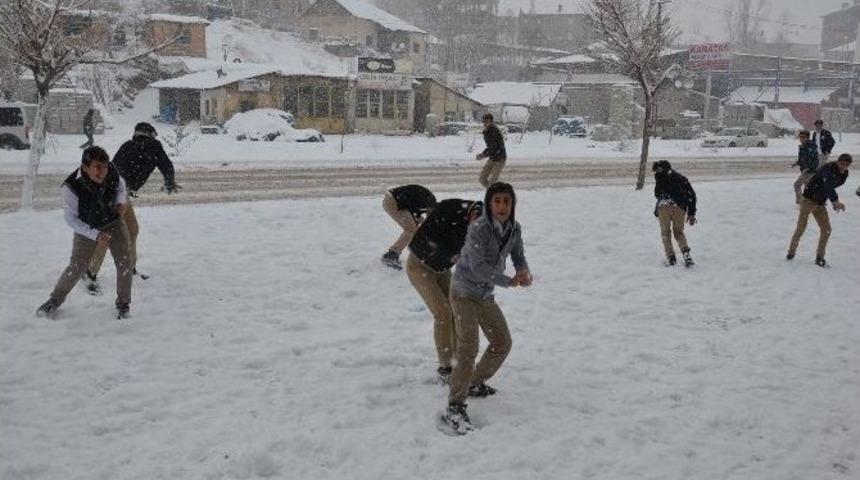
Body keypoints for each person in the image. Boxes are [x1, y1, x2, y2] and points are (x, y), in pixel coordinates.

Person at [440, 182, 531, 435]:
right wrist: (508, 281)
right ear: (489, 203)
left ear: (512, 205)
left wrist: (523, 271)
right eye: (497, 201)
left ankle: (474, 382)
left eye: (506, 201)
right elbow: (477, 266)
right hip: (463, 291)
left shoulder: (514, 229)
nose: (502, 206)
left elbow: (519, 256)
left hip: (485, 294)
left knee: (502, 342)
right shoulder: (478, 228)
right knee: (468, 345)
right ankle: (455, 406)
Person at [36, 146, 134, 320]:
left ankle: (123, 305)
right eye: (97, 167)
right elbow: (71, 219)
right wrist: (95, 235)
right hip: (87, 227)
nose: (102, 171)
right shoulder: (71, 187)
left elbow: (121, 185)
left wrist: (120, 201)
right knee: (76, 267)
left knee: (125, 263)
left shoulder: (111, 171)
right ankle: (54, 301)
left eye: (104, 166)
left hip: (114, 222)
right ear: (85, 167)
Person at [83, 122, 179, 294]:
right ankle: (89, 273)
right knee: (109, 233)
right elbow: (166, 165)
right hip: (117, 194)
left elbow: (112, 170)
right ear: (150, 134)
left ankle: (129, 268)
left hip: (111, 191)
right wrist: (170, 182)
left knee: (132, 229)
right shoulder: (153, 146)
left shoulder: (127, 145)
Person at [406, 198, 483, 385]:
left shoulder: (477, 227)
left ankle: (460, 363)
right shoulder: (452, 208)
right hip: (419, 266)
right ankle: (445, 367)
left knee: (456, 313)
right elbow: (426, 236)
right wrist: (451, 254)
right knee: (442, 314)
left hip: (441, 269)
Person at [787, 153, 851, 267]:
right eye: (842, 163)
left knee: (827, 229)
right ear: (837, 161)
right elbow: (828, 184)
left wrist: (829, 197)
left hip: (820, 203)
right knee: (801, 227)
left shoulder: (845, 174)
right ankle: (791, 253)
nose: (843, 166)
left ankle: (819, 257)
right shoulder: (827, 168)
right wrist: (835, 201)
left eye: (846, 165)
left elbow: (831, 186)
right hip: (808, 200)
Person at [652, 160, 697, 267]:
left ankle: (671, 258)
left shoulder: (660, 177)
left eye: (658, 170)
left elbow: (657, 194)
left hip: (663, 207)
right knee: (679, 232)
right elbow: (692, 195)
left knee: (665, 233)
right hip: (679, 207)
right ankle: (686, 252)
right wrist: (691, 213)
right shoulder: (681, 179)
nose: (657, 172)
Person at [381, 184, 436, 270]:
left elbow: (416, 213)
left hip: (395, 201)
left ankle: (396, 254)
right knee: (411, 230)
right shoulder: (428, 201)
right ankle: (391, 255)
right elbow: (413, 211)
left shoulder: (426, 200)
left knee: (413, 229)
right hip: (394, 202)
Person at [476, 113, 507, 188]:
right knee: (482, 179)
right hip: (492, 158)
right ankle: (493, 191)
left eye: (487, 121)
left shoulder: (494, 131)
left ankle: (494, 193)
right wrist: (483, 154)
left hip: (500, 159)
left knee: (492, 181)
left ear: (491, 121)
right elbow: (490, 147)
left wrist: (483, 155)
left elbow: (494, 147)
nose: (485, 123)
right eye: (484, 121)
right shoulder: (487, 131)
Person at [793, 130, 819, 205]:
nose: (801, 139)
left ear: (807, 138)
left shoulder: (811, 147)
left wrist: (808, 168)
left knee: (797, 185)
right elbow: (802, 159)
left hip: (810, 171)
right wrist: (797, 163)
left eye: (803, 137)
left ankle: (801, 203)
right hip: (805, 170)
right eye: (800, 137)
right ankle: (808, 203)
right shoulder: (802, 146)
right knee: (807, 187)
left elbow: (815, 161)